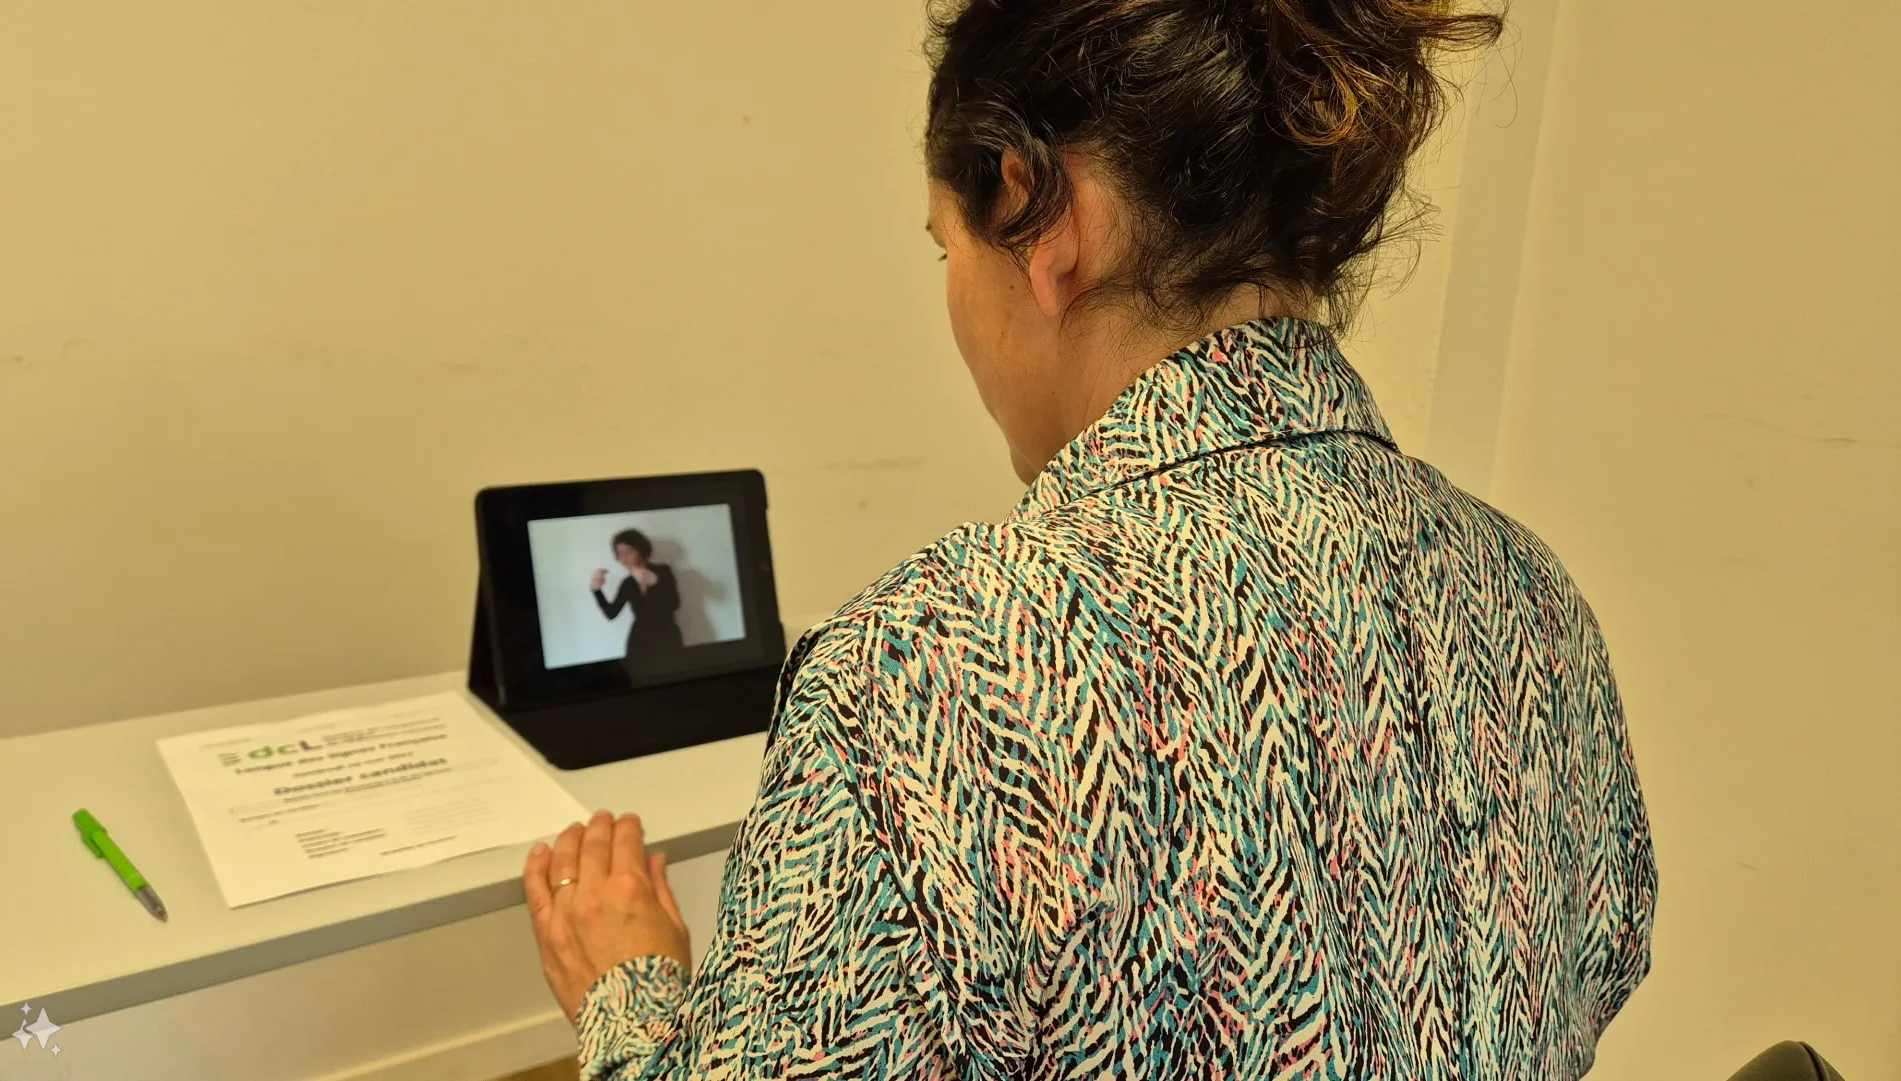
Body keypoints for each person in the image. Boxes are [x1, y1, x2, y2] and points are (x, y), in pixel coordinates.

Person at [524, 0, 1658, 1077]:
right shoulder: (1534, 598)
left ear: (1038, 213)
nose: (954, 299)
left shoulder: (925, 677)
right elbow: (1592, 974)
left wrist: (632, 991)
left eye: (945, 249)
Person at [590, 529, 683, 665]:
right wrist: (596, 590)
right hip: (639, 640)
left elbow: (674, 604)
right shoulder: (628, 583)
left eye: (628, 552)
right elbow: (611, 613)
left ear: (641, 550)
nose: (624, 559)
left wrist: (655, 582)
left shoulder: (663, 571)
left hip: (667, 636)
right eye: (619, 555)